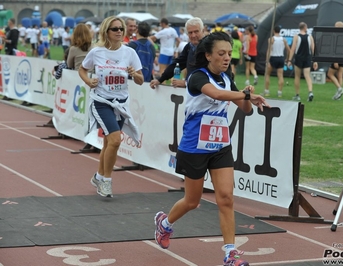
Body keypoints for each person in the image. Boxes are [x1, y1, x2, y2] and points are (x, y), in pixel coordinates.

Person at [153, 31, 270, 266]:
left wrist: (247, 98)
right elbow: (215, 93)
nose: (227, 58)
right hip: (194, 147)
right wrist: (245, 94)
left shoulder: (228, 79)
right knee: (192, 201)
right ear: (208, 55)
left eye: (229, 53)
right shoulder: (197, 77)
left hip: (220, 146)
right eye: (221, 53)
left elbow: (245, 110)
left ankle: (230, 253)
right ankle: (164, 224)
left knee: (226, 198)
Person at [78, 16, 144, 198]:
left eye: (121, 28)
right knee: (115, 140)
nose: (119, 32)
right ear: (106, 32)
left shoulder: (129, 53)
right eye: (115, 29)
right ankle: (106, 182)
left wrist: (134, 74)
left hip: (121, 104)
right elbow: (82, 69)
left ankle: (98, 176)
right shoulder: (97, 52)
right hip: (101, 101)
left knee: (109, 142)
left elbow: (141, 80)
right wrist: (88, 81)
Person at [150, 17, 205, 89]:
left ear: (203, 31)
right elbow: (177, 63)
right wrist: (160, 79)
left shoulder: (210, 47)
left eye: (196, 31)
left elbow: (208, 74)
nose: (193, 35)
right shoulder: (189, 47)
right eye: (190, 32)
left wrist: (186, 83)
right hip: (192, 92)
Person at [287, 22, 318, 102]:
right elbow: (313, 49)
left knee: (297, 76)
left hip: (299, 58)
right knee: (307, 76)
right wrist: (315, 60)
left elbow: (293, 49)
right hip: (307, 58)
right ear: (305, 27)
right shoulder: (310, 37)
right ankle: (310, 92)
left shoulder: (296, 37)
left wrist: (289, 60)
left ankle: (297, 95)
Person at [264, 25, 291, 97]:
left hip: (273, 57)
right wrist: (288, 58)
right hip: (281, 58)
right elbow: (289, 50)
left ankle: (266, 91)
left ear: (274, 31)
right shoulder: (283, 39)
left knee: (267, 74)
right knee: (280, 76)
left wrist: (267, 60)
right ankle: (279, 92)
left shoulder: (271, 39)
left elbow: (269, 50)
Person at [328, 21, 343, 100]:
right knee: (340, 76)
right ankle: (339, 94)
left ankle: (339, 88)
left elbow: (336, 48)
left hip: (337, 57)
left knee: (330, 74)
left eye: (336, 26)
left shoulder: (336, 36)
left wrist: (335, 60)